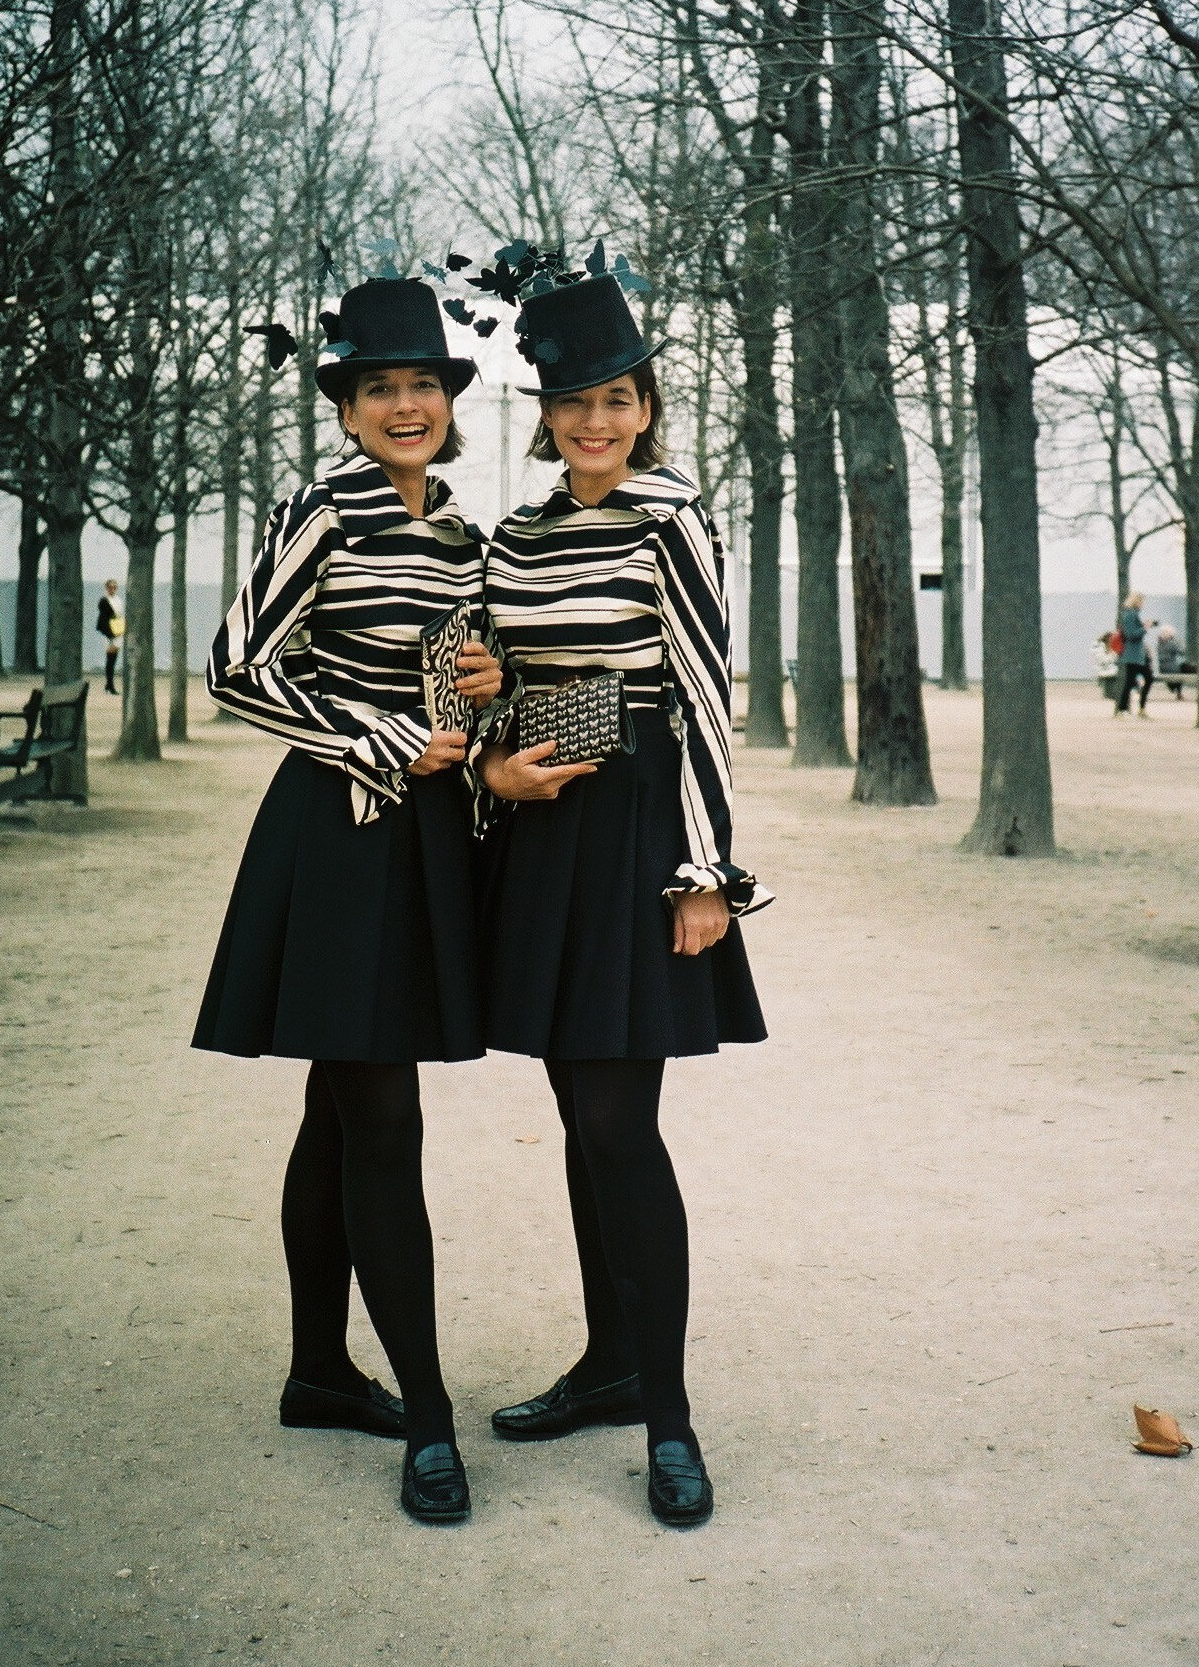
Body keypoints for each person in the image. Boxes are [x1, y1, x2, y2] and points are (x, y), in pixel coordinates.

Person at [191, 276, 504, 1526]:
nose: (403, 403)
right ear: (347, 408)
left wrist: (479, 680)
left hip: (429, 838)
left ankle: (318, 1371)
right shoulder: (322, 509)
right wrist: (375, 736)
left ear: (448, 399)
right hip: (340, 832)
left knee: (339, 1108)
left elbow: (458, 677)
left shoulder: (462, 534)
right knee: (382, 1119)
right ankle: (427, 1417)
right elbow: (232, 667)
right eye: (378, 387)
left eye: (421, 383)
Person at [479, 265, 770, 1531]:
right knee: (573, 1114)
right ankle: (606, 1365)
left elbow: (704, 695)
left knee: (618, 1125)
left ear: (646, 407)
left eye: (615, 400)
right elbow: (485, 677)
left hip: (642, 825)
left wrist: (703, 872)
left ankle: (669, 1415)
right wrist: (493, 752)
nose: (594, 423)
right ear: (541, 416)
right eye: (571, 405)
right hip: (541, 835)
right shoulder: (517, 535)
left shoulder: (673, 520)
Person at [1114, 591, 1155, 717]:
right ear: (1136, 601)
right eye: (1141, 601)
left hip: (1133, 655)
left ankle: (1124, 709)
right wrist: (1145, 628)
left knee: (1131, 681)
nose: (1142, 604)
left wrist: (1143, 626)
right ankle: (1131, 709)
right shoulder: (1131, 615)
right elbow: (1131, 635)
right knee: (1144, 678)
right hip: (1133, 655)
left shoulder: (1130, 614)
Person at [96, 580, 123, 695]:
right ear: (106, 588)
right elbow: (103, 618)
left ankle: (108, 684)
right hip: (108, 631)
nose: (112, 589)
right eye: (110, 587)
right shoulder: (103, 601)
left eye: (114, 587)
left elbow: (120, 614)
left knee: (114, 658)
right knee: (110, 658)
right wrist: (109, 633)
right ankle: (110, 684)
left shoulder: (118, 600)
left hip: (117, 629)